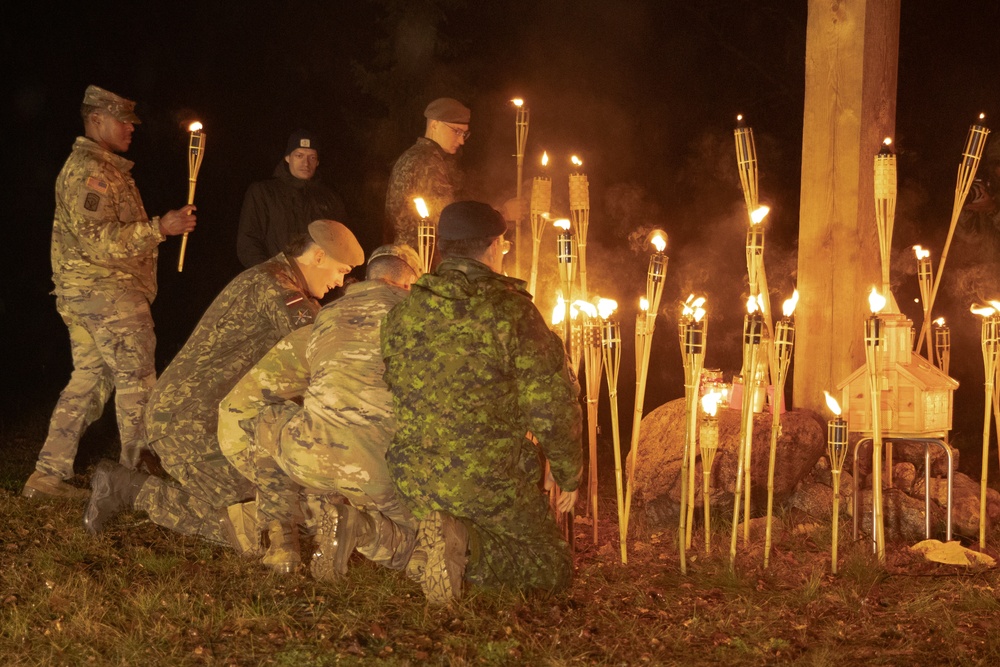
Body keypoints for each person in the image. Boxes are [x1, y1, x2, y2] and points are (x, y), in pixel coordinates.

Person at [83, 221, 365, 565]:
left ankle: (142, 480)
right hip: (188, 424)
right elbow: (325, 346)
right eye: (340, 271)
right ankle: (129, 489)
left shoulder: (273, 278)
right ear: (318, 256)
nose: (339, 282)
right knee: (269, 523)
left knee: (284, 506)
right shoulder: (277, 289)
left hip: (202, 417)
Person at [381, 201, 582, 604]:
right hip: (487, 477)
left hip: (412, 474)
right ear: (493, 246)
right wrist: (569, 472)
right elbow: (551, 405)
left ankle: (389, 535)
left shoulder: (405, 311)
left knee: (459, 518)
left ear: (443, 248)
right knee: (551, 566)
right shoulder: (510, 310)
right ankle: (464, 548)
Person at [22, 85, 197, 500]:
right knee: (136, 378)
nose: (131, 129)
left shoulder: (105, 168)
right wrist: (160, 228)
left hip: (89, 294)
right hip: (105, 292)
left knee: (89, 380)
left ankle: (47, 475)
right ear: (97, 120)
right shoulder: (90, 171)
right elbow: (97, 239)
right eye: (123, 121)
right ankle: (134, 479)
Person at [218, 244, 422, 576]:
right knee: (418, 543)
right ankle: (363, 528)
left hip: (311, 457)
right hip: (381, 471)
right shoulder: (424, 321)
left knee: (267, 417)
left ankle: (280, 537)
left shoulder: (325, 317)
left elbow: (248, 397)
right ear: (408, 285)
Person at [236, 130, 349, 268]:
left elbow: (343, 243)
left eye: (312, 157)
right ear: (288, 157)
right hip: (277, 279)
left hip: (318, 284)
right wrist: (271, 275)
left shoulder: (330, 198)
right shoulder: (263, 192)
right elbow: (248, 242)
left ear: (318, 161)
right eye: (299, 156)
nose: (306, 163)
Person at [384, 98, 470, 248]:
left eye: (464, 134)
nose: (461, 141)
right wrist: (502, 214)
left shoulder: (416, 155)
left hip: (408, 254)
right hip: (423, 258)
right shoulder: (427, 162)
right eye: (457, 131)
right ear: (435, 125)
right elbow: (447, 220)